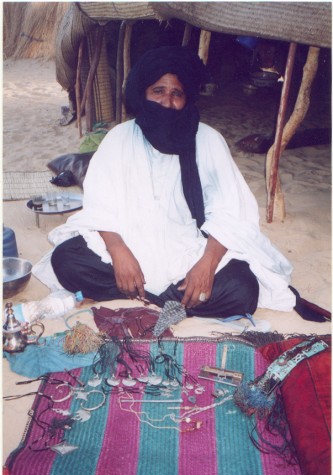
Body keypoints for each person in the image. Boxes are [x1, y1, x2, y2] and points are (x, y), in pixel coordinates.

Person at [33, 45, 297, 320]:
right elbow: (100, 205)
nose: (167, 102)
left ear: (187, 98)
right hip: (128, 245)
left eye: (176, 94)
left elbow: (231, 212)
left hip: (190, 251)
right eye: (158, 91)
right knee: (65, 259)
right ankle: (172, 299)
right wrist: (119, 251)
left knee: (242, 290)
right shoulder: (120, 138)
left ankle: (147, 295)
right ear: (143, 94)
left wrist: (207, 264)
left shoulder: (207, 140)